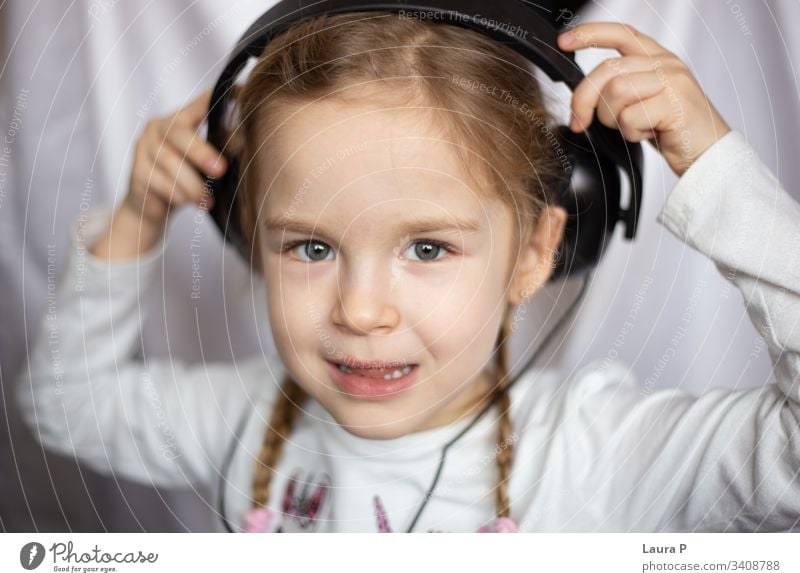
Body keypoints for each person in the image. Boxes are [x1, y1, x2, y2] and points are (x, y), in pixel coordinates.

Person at [17, 15, 800, 532]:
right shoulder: (245, 420)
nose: (361, 311)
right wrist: (137, 220)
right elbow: (67, 403)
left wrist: (716, 172)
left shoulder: (592, 454)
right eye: (312, 248)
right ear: (244, 231)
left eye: (427, 248)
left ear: (533, 254)